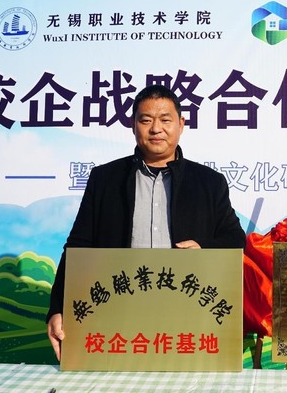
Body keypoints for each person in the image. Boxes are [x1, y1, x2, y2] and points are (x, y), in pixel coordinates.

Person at [46, 84, 246, 361]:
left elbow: (235, 239)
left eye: (165, 120)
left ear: (181, 124)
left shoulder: (209, 182)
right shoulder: (105, 179)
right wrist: (58, 307)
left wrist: (203, 249)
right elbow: (78, 247)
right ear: (133, 125)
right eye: (146, 120)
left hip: (187, 314)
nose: (156, 129)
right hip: (117, 313)